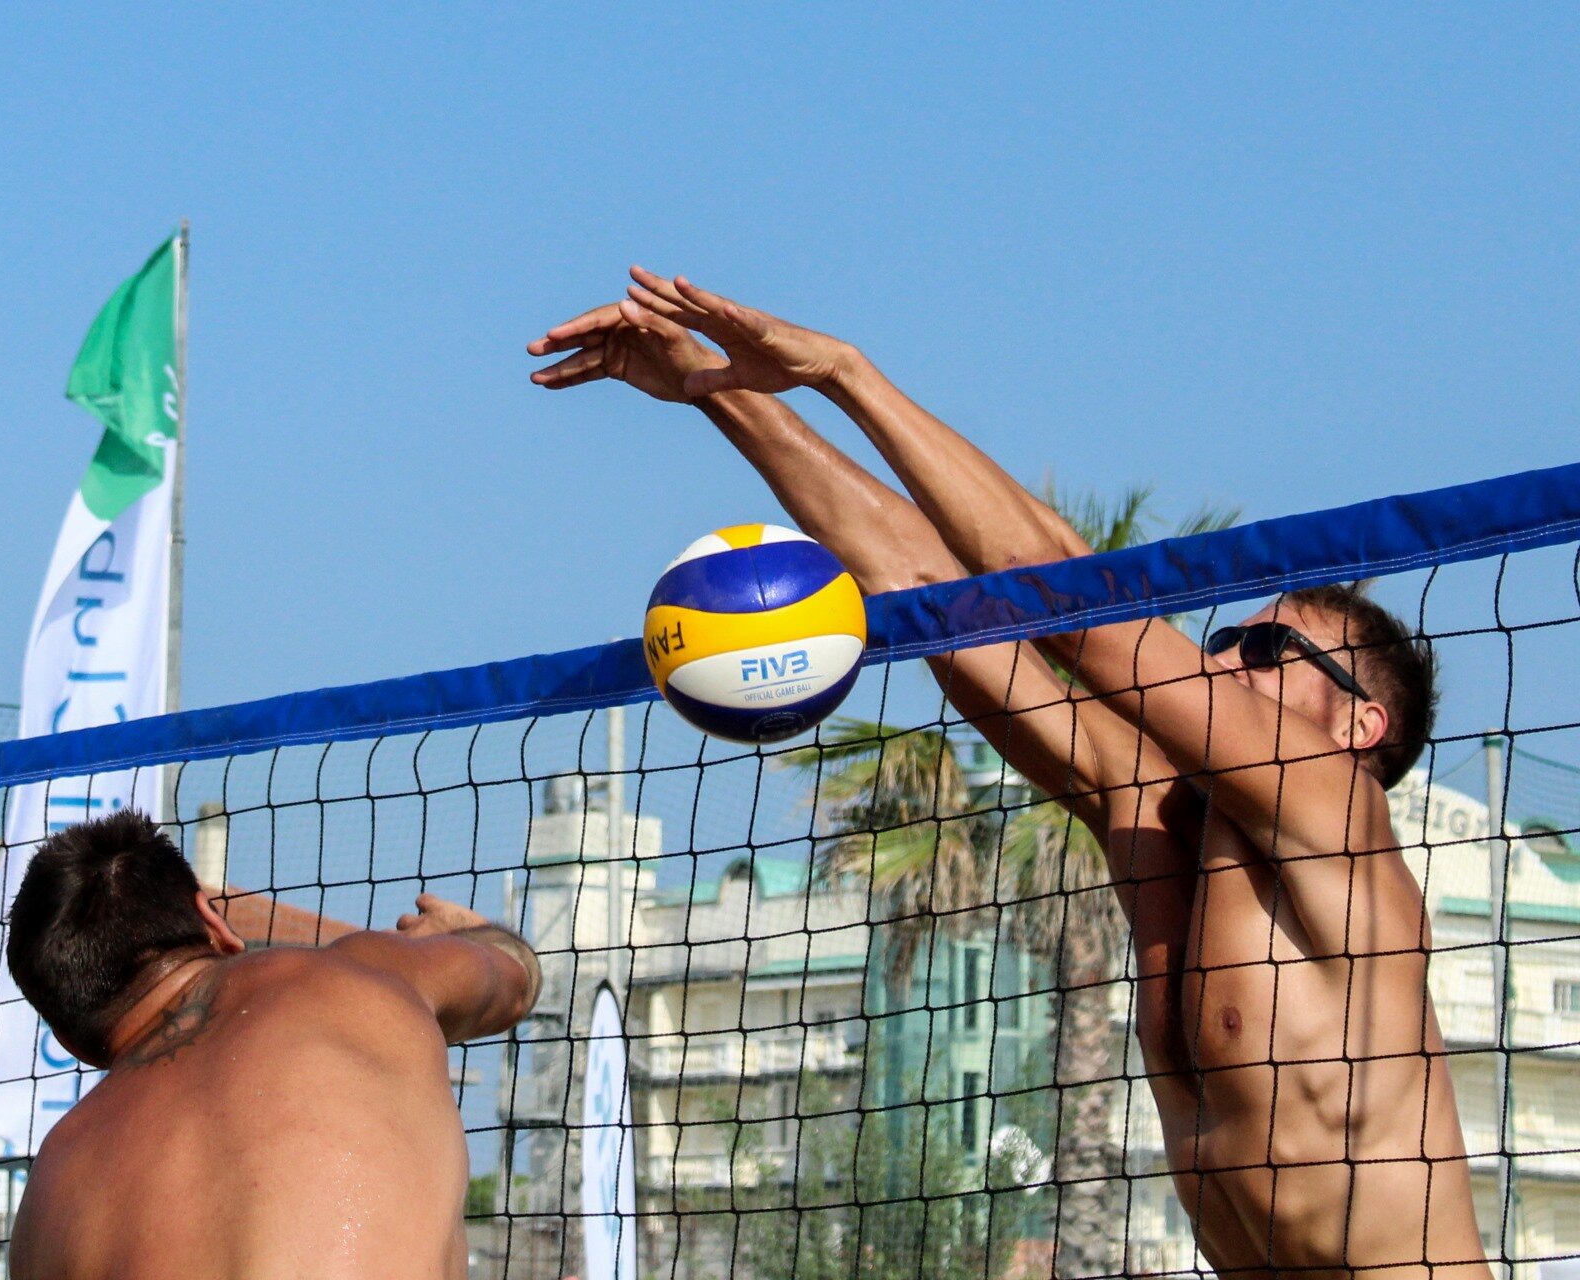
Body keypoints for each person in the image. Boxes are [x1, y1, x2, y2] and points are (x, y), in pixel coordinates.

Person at [530, 270, 1489, 1279]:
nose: (1223, 656)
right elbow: (930, 589)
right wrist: (720, 391)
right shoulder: (1158, 821)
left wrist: (845, 371)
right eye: (1225, 634)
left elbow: (1070, 599)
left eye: (1265, 651)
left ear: (1359, 722)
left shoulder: (1336, 809)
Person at [4, 810, 541, 1280]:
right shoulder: (354, 974)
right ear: (214, 921)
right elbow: (514, 978)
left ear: (72, 1042)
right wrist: (460, 935)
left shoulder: (47, 1198)